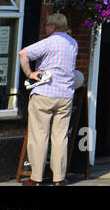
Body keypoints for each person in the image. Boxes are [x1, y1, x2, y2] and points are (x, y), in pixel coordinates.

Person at [18, 13, 79, 185]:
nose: (45, 28)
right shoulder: (73, 43)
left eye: (47, 26)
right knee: (60, 137)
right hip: (65, 95)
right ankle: (59, 178)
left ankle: (36, 177)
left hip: (44, 94)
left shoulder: (49, 42)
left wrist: (30, 73)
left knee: (39, 136)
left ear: (52, 27)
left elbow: (23, 53)